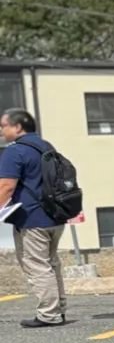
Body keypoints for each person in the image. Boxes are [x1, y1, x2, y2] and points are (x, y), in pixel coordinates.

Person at [0, 106, 68, 327]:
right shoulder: (46, 146)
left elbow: (6, 187)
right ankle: (59, 309)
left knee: (37, 265)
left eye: (4, 126)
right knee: (51, 263)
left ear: (18, 127)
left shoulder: (14, 151)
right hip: (55, 216)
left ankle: (49, 314)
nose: (2, 131)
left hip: (31, 218)